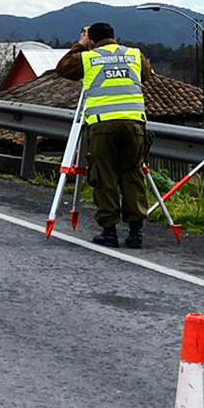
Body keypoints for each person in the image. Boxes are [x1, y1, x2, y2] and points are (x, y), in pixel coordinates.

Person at [56, 22, 153, 248]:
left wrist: (79, 46)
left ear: (91, 39)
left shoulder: (88, 58)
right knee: (132, 173)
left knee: (105, 175)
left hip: (102, 125)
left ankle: (109, 231)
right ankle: (135, 232)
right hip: (134, 124)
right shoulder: (133, 55)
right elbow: (146, 76)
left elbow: (62, 68)